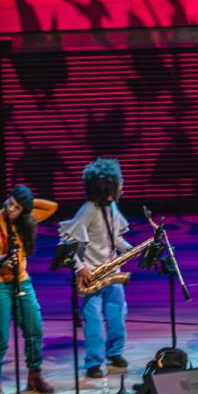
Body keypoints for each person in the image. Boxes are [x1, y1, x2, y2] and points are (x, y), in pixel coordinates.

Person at [0, 185, 58, 394]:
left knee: (34, 329)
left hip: (22, 282)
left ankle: (34, 374)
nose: (10, 208)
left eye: (17, 207)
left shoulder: (26, 220)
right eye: (10, 202)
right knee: (0, 336)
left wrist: (27, 201)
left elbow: (52, 206)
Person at [58, 158, 134, 378]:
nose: (122, 184)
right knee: (93, 322)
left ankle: (115, 352)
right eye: (118, 181)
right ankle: (93, 361)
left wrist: (131, 249)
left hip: (112, 273)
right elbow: (67, 242)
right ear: (107, 185)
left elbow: (116, 237)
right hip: (91, 276)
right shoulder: (88, 210)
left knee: (118, 315)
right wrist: (80, 268)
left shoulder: (112, 207)